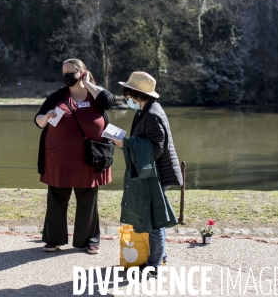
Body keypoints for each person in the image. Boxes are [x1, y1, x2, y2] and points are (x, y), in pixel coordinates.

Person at [35, 58, 114, 254]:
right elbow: (38, 120)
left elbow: (109, 102)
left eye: (71, 72)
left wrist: (87, 83)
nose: (66, 77)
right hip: (59, 159)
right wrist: (46, 117)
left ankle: (90, 240)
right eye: (64, 73)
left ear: (82, 72)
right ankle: (53, 240)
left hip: (90, 158)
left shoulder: (95, 94)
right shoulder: (58, 96)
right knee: (56, 199)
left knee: (88, 200)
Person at [114, 71, 182, 274]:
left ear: (136, 93)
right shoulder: (145, 110)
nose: (127, 98)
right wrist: (126, 144)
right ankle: (161, 256)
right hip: (152, 172)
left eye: (128, 93)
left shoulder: (152, 114)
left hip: (158, 173)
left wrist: (125, 144)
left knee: (154, 220)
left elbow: (156, 148)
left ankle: (154, 265)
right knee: (154, 217)